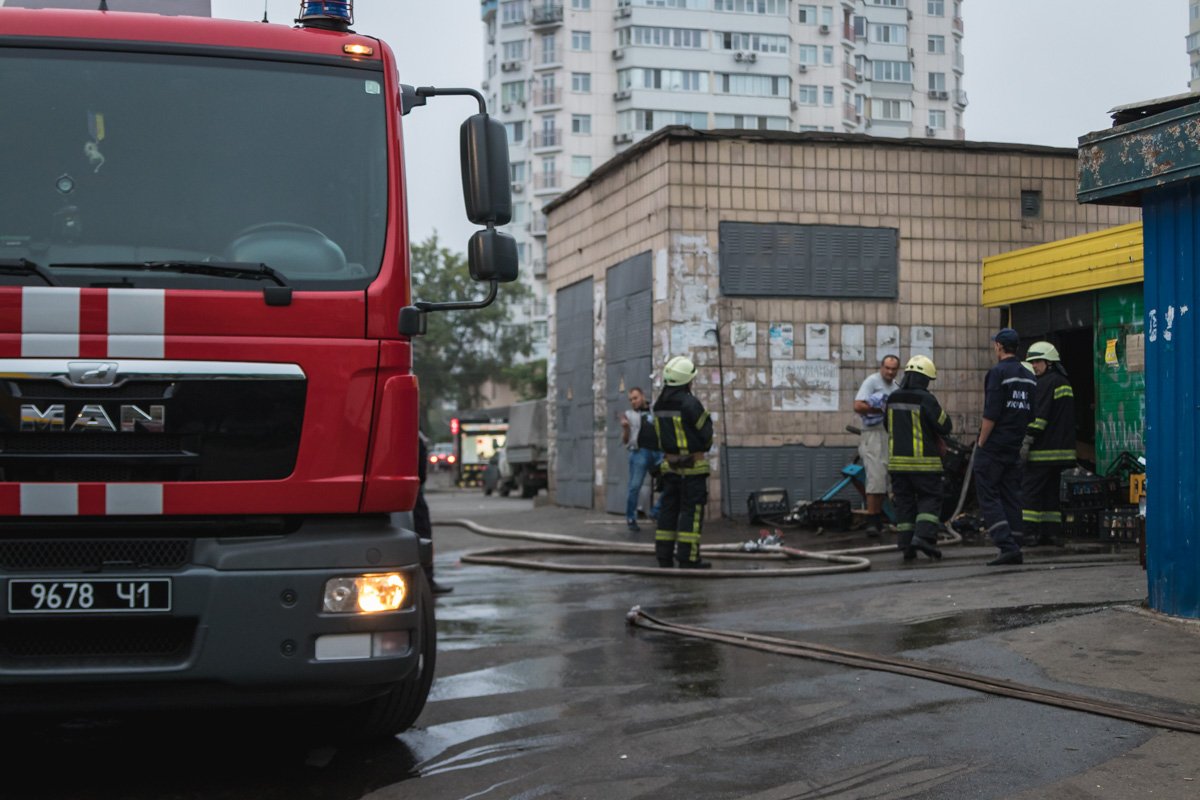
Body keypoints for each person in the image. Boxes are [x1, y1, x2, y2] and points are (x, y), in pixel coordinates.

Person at [638, 355, 714, 569]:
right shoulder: (691, 403)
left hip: (669, 468)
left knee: (668, 513)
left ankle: (664, 556)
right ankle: (688, 558)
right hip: (693, 469)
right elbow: (706, 435)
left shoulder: (660, 404)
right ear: (686, 380)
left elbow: (655, 437)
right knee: (691, 513)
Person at [974, 328, 1035, 566]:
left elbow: (991, 413)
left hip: (994, 444)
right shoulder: (1029, 376)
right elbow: (1031, 414)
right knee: (1011, 493)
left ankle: (1005, 544)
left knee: (988, 494)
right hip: (1015, 444)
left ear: (999, 346)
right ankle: (1016, 541)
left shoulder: (998, 373)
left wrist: (981, 443)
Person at [885, 355, 952, 561]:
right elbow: (945, 426)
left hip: (897, 465)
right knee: (930, 499)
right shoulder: (926, 399)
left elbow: (887, 426)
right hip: (925, 464)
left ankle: (906, 544)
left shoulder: (893, 398)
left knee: (904, 502)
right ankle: (923, 537)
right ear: (924, 379)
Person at [1020, 341, 1076, 546]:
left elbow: (1039, 418)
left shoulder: (1044, 383)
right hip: (1061, 452)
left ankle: (1028, 534)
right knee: (1050, 494)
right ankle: (1051, 533)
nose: (1033, 366)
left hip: (1042, 452)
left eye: (1037, 362)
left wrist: (1026, 440)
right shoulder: (1064, 382)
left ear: (1049, 362)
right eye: (1031, 362)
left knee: (1030, 492)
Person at [853, 354, 901, 536]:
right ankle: (872, 521)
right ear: (881, 367)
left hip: (888, 435)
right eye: (887, 368)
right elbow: (858, 405)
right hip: (873, 434)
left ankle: (880, 518)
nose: (890, 372)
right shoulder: (872, 382)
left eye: (893, 369)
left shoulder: (896, 386)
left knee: (884, 479)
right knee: (875, 477)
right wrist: (878, 409)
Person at [619, 387, 662, 533]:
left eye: (635, 398)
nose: (633, 402)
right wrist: (625, 428)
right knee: (634, 487)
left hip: (658, 452)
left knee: (673, 480)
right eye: (630, 399)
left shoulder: (654, 409)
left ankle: (656, 512)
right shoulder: (629, 415)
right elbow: (625, 441)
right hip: (639, 453)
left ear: (643, 396)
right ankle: (631, 518)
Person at [416, 432, 452, 594]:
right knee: (422, 536)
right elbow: (421, 471)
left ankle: (423, 582)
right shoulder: (415, 437)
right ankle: (426, 582)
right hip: (413, 493)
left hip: (411, 491)